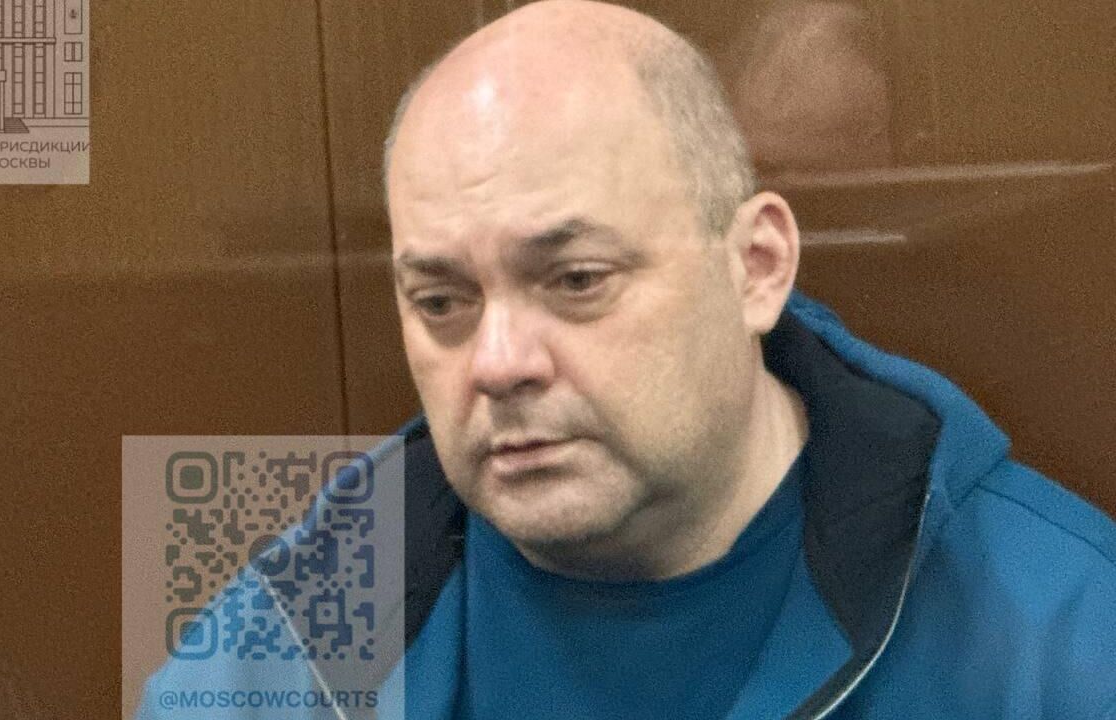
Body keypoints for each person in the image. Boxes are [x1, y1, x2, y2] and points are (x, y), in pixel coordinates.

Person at [137, 2, 1116, 718]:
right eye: (441, 302)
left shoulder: (1056, 640)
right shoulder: (309, 621)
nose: (498, 363)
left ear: (755, 267)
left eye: (576, 280)